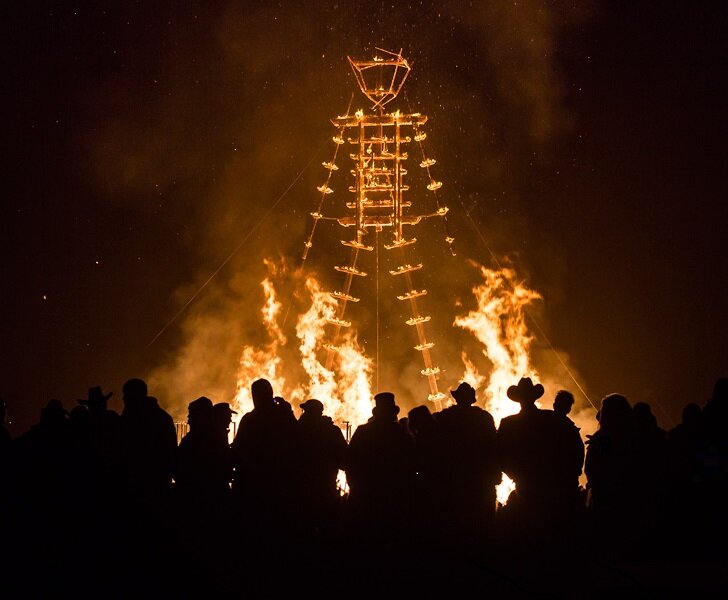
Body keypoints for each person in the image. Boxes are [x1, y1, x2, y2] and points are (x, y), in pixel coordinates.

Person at [497, 377, 584, 546]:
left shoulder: (508, 423)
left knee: (526, 528)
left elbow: (500, 454)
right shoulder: (551, 419)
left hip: (525, 483)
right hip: (551, 484)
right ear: (534, 397)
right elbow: (572, 445)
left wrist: (515, 474)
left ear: (518, 400)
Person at [230, 379, 299, 540]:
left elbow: (238, 451)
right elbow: (298, 441)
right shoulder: (283, 417)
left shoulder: (250, 420)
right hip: (279, 487)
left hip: (253, 488)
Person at [436, 382, 499, 548]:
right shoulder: (484, 418)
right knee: (482, 526)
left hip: (453, 481)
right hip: (480, 481)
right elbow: (494, 447)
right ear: (472, 399)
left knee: (455, 527)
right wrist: (495, 474)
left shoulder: (444, 418)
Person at [346, 392, 414, 545]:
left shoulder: (364, 432)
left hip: (367, 493)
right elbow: (411, 462)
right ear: (393, 413)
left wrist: (356, 486)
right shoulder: (401, 433)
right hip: (394, 496)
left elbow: (350, 460)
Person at [296, 398, 347, 537]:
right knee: (327, 532)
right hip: (326, 489)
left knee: (304, 532)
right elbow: (344, 460)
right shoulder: (331, 431)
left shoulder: (297, 431)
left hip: (302, 491)